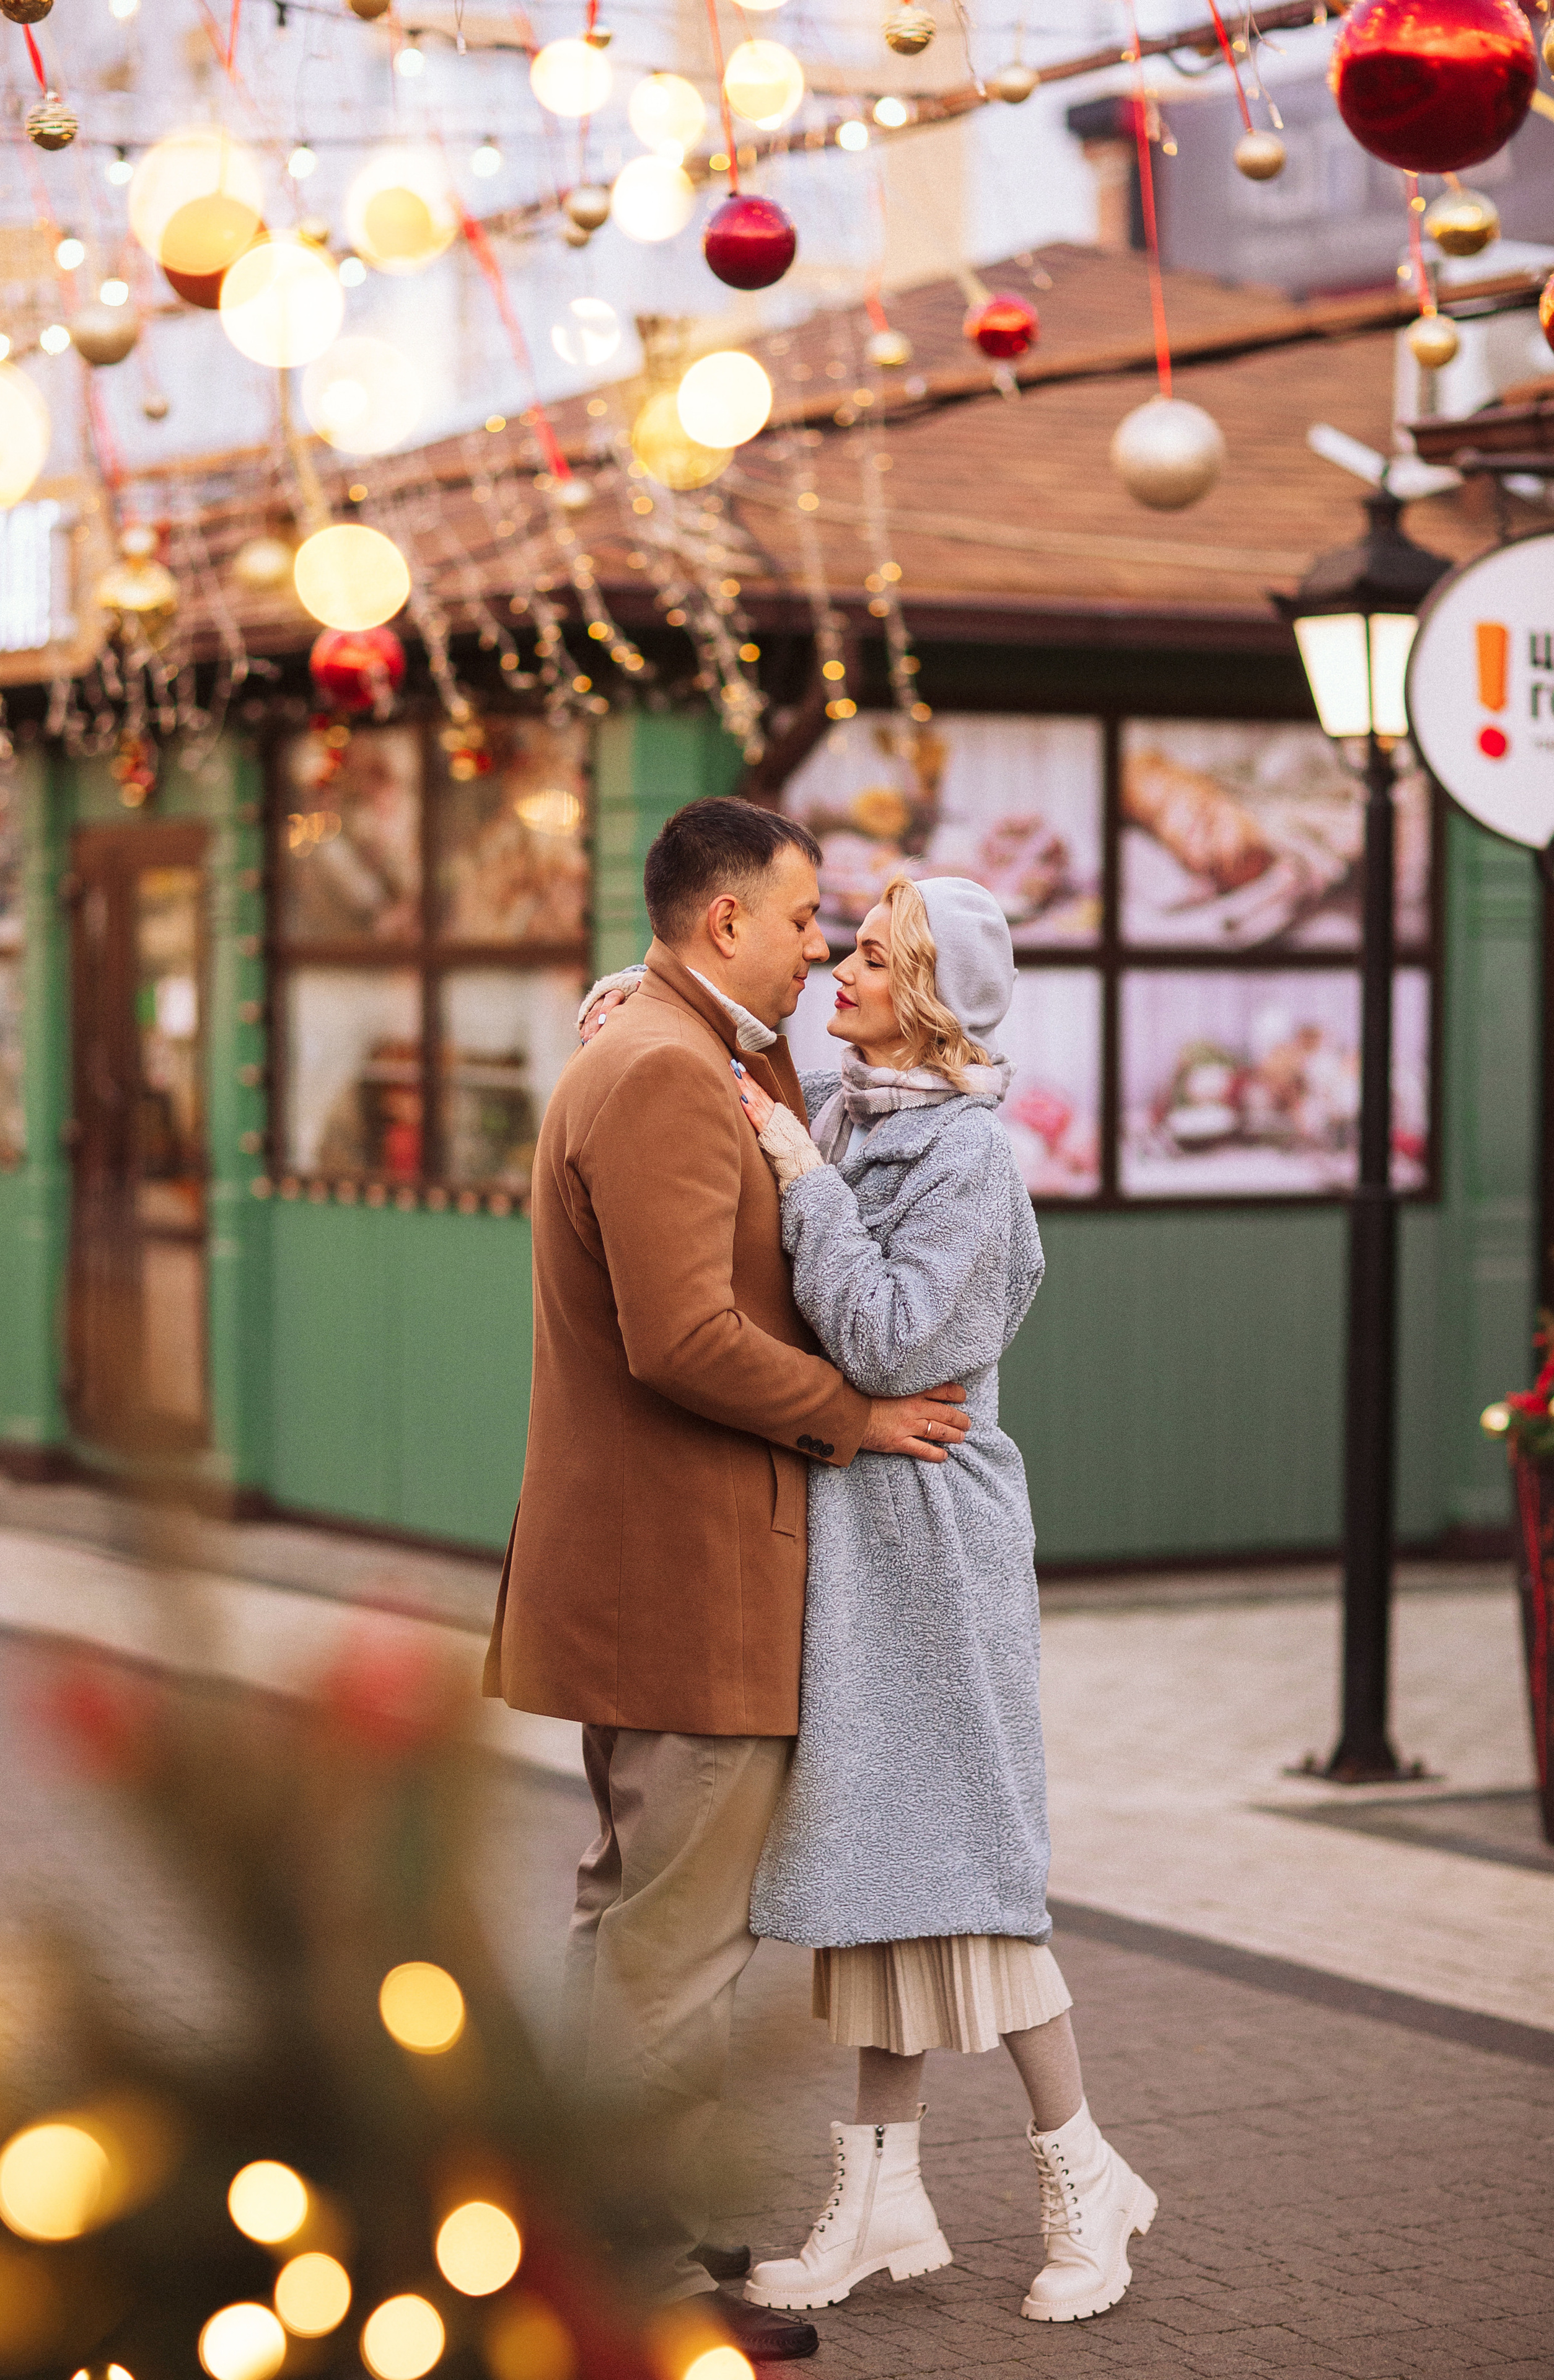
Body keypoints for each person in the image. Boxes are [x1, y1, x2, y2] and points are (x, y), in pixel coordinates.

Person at [482, 798, 973, 2361]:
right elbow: (682, 1336)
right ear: (723, 923)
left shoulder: (683, 1051)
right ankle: (629, 2271)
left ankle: (598, 2222)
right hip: (685, 1581)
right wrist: (856, 1415)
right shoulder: (663, 1070)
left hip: (659, 1575)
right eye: (804, 917)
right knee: (673, 1948)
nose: (819, 946)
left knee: (629, 1921)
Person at [732, 873, 1157, 2327]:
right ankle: (880, 2199)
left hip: (932, 1544)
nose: (838, 969)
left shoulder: (963, 1158)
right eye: (845, 946)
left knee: (969, 1869)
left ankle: (1086, 2174)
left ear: (925, 993)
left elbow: (887, 1338)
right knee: (875, 1868)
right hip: (865, 1535)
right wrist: (617, 1001)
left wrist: (799, 1178)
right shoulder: (854, 1115)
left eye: (870, 954)